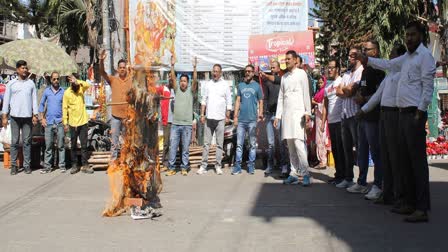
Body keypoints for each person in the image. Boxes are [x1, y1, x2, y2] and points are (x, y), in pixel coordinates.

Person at [362, 21, 435, 222]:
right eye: (407, 35)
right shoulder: (406, 58)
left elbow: (428, 87)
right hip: (402, 114)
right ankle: (409, 203)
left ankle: (421, 208)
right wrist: (367, 59)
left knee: (417, 163)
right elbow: (388, 64)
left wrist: (420, 112)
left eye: (412, 35)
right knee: (405, 162)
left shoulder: (425, 57)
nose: (408, 38)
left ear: (420, 36)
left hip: (414, 115)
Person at [358, 44, 407, 205]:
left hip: (394, 114)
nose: (390, 55)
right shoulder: (391, 74)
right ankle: (387, 193)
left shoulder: (401, 72)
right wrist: (363, 110)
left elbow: (384, 64)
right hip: (384, 115)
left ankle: (397, 194)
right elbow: (378, 96)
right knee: (386, 156)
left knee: (394, 157)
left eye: (393, 53)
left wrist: (367, 59)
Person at [348, 40, 385, 199]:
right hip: (362, 117)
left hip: (373, 117)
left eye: (366, 49)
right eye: (362, 49)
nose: (363, 52)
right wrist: (359, 96)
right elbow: (361, 91)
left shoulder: (379, 71)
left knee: (376, 152)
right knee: (361, 150)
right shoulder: (364, 71)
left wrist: (364, 99)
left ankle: (378, 185)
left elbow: (379, 94)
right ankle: (361, 183)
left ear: (375, 52)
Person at [274, 51, 312, 186]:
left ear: (296, 60)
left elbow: (306, 94)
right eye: (285, 59)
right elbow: (281, 98)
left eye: (289, 59)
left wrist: (308, 112)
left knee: (299, 144)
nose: (286, 61)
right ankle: (294, 173)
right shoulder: (284, 77)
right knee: (290, 146)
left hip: (298, 115)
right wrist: (278, 116)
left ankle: (306, 174)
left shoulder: (302, 74)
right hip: (287, 116)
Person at [1, 60, 38, 175]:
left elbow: (34, 100)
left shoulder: (31, 84)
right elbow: (6, 101)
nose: (25, 70)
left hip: (27, 117)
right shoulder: (11, 84)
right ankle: (14, 166)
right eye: (22, 68)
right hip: (15, 117)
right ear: (17, 70)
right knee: (14, 142)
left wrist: (35, 115)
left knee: (27, 141)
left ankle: (27, 165)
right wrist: (4, 117)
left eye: (26, 68)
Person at [335, 47, 364, 189]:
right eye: (349, 55)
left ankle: (362, 181)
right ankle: (348, 178)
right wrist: (348, 89)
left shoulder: (361, 72)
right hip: (344, 115)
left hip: (355, 115)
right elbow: (338, 91)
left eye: (353, 55)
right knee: (346, 149)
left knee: (359, 149)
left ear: (359, 56)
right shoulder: (346, 74)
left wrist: (347, 89)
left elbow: (353, 90)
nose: (350, 58)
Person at [165, 57, 198, 176]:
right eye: (181, 81)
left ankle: (184, 167)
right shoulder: (177, 89)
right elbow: (173, 78)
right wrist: (172, 65)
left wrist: (194, 68)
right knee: (173, 147)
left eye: (185, 81)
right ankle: (172, 167)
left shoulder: (190, 91)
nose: (183, 82)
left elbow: (195, 81)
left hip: (187, 125)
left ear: (187, 83)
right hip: (175, 124)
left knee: (185, 148)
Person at [198, 64, 232, 175]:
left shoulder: (225, 85)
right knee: (206, 143)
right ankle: (203, 166)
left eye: (217, 71)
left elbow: (229, 101)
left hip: (221, 118)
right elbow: (204, 100)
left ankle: (218, 166)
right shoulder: (208, 84)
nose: (215, 73)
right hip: (209, 118)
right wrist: (202, 115)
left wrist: (227, 116)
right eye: (214, 71)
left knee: (219, 144)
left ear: (221, 73)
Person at [99, 50, 132, 161]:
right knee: (114, 141)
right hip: (115, 116)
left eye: (124, 67)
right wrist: (101, 60)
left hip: (127, 117)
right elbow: (102, 73)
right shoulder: (113, 80)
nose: (122, 69)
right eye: (120, 67)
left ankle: (126, 161)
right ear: (118, 69)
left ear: (126, 69)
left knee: (127, 141)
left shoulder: (131, 80)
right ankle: (113, 162)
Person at [260, 61, 290, 178]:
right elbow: (265, 98)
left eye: (274, 67)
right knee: (271, 143)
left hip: (280, 115)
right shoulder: (267, 81)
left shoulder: (282, 80)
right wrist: (263, 112)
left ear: (278, 68)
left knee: (281, 142)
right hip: (269, 115)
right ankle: (270, 166)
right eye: (271, 67)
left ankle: (284, 166)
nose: (272, 69)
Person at [232, 65, 263, 175]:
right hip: (241, 120)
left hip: (252, 120)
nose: (247, 73)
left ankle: (251, 166)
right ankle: (238, 166)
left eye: (250, 71)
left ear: (253, 72)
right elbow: (237, 101)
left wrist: (260, 114)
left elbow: (260, 101)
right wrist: (235, 116)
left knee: (252, 144)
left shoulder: (257, 86)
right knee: (239, 144)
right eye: (246, 71)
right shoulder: (240, 85)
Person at [63, 74, 94, 174]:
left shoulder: (81, 89)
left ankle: (85, 165)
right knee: (73, 145)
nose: (73, 82)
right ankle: (74, 165)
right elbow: (64, 108)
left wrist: (78, 81)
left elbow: (87, 85)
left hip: (83, 121)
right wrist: (65, 123)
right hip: (73, 123)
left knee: (84, 145)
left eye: (73, 79)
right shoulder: (67, 93)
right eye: (71, 80)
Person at [322, 59, 345, 185]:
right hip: (331, 122)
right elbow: (325, 104)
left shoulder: (341, 81)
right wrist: (323, 122)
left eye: (332, 67)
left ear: (337, 69)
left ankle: (346, 177)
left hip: (341, 121)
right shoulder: (328, 86)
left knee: (342, 150)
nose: (329, 70)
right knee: (335, 149)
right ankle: (338, 175)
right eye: (328, 67)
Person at [39, 72, 66, 173]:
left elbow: (67, 106)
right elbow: (41, 104)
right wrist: (42, 119)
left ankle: (62, 165)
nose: (56, 81)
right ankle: (47, 166)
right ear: (51, 80)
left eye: (57, 79)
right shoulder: (47, 91)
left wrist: (65, 118)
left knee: (61, 145)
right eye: (54, 79)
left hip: (60, 122)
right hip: (49, 122)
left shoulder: (63, 91)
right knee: (48, 145)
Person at [312, 75, 329, 169]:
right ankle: (321, 160)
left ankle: (323, 161)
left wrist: (315, 103)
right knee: (318, 140)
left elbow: (323, 108)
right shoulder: (319, 92)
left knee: (321, 140)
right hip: (318, 120)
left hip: (322, 120)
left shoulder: (323, 93)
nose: (319, 84)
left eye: (321, 82)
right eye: (318, 83)